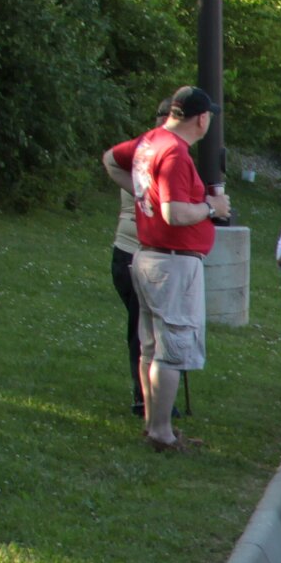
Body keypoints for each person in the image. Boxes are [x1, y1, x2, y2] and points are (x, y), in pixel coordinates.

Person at [103, 85, 229, 452]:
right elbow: (175, 214)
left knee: (150, 346)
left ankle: (152, 424)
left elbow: (110, 159)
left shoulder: (150, 141)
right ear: (201, 119)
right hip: (173, 262)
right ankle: (162, 432)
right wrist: (213, 208)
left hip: (147, 256)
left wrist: (144, 193)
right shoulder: (174, 153)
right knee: (171, 348)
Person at [106, 97, 176, 417]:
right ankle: (146, 398)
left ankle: (152, 396)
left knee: (148, 328)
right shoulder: (153, 152)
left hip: (135, 251)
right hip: (136, 250)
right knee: (144, 329)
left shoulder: (151, 150)